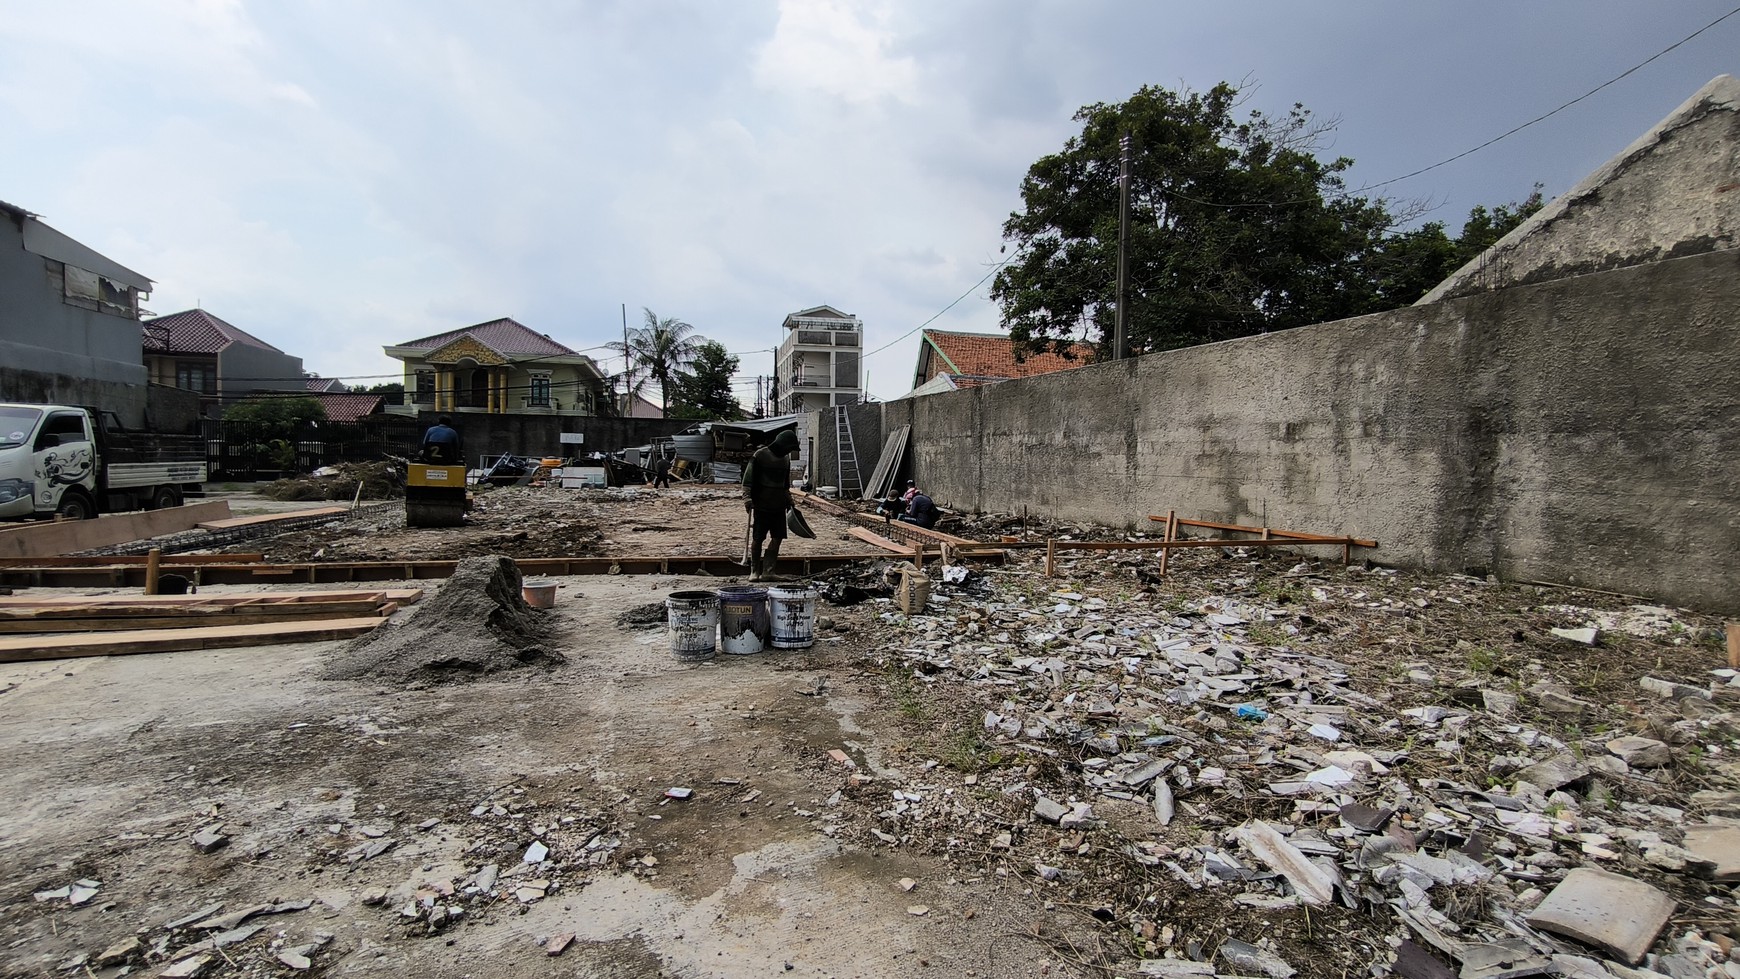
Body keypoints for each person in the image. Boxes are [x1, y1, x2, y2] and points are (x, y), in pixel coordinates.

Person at [741, 429, 799, 581]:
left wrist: (790, 501)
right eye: (789, 448)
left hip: (778, 506)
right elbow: (748, 480)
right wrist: (747, 498)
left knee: (777, 537)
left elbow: (785, 485)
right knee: (758, 537)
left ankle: (768, 571)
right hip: (762, 505)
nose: (789, 451)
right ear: (782, 444)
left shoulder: (786, 460)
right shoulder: (760, 455)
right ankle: (754, 571)